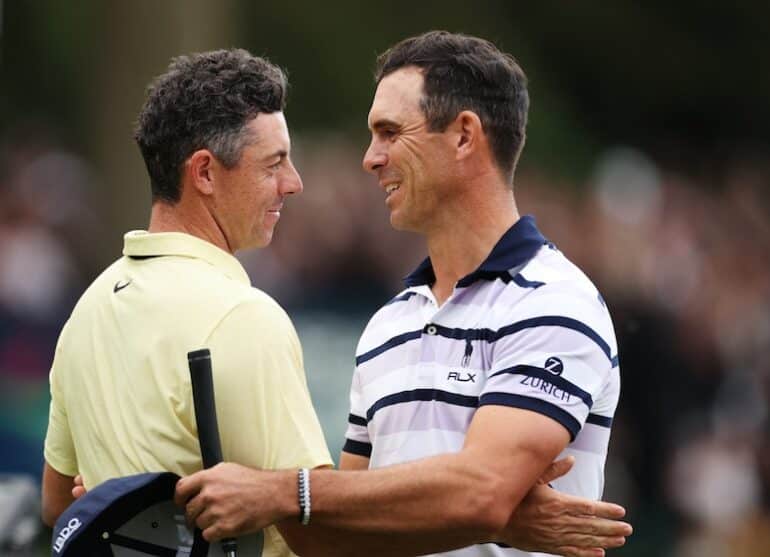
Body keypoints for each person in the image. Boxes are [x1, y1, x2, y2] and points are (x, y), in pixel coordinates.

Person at [175, 32, 630, 557]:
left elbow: (480, 490)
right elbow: (345, 533)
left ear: (464, 136)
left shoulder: (554, 301)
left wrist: (284, 491)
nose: (371, 158)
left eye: (390, 133)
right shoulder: (388, 326)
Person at [41, 49, 333, 557]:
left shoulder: (85, 312)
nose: (294, 183)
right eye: (274, 163)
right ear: (203, 172)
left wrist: (126, 505)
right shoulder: (243, 315)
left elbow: (55, 506)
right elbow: (322, 535)